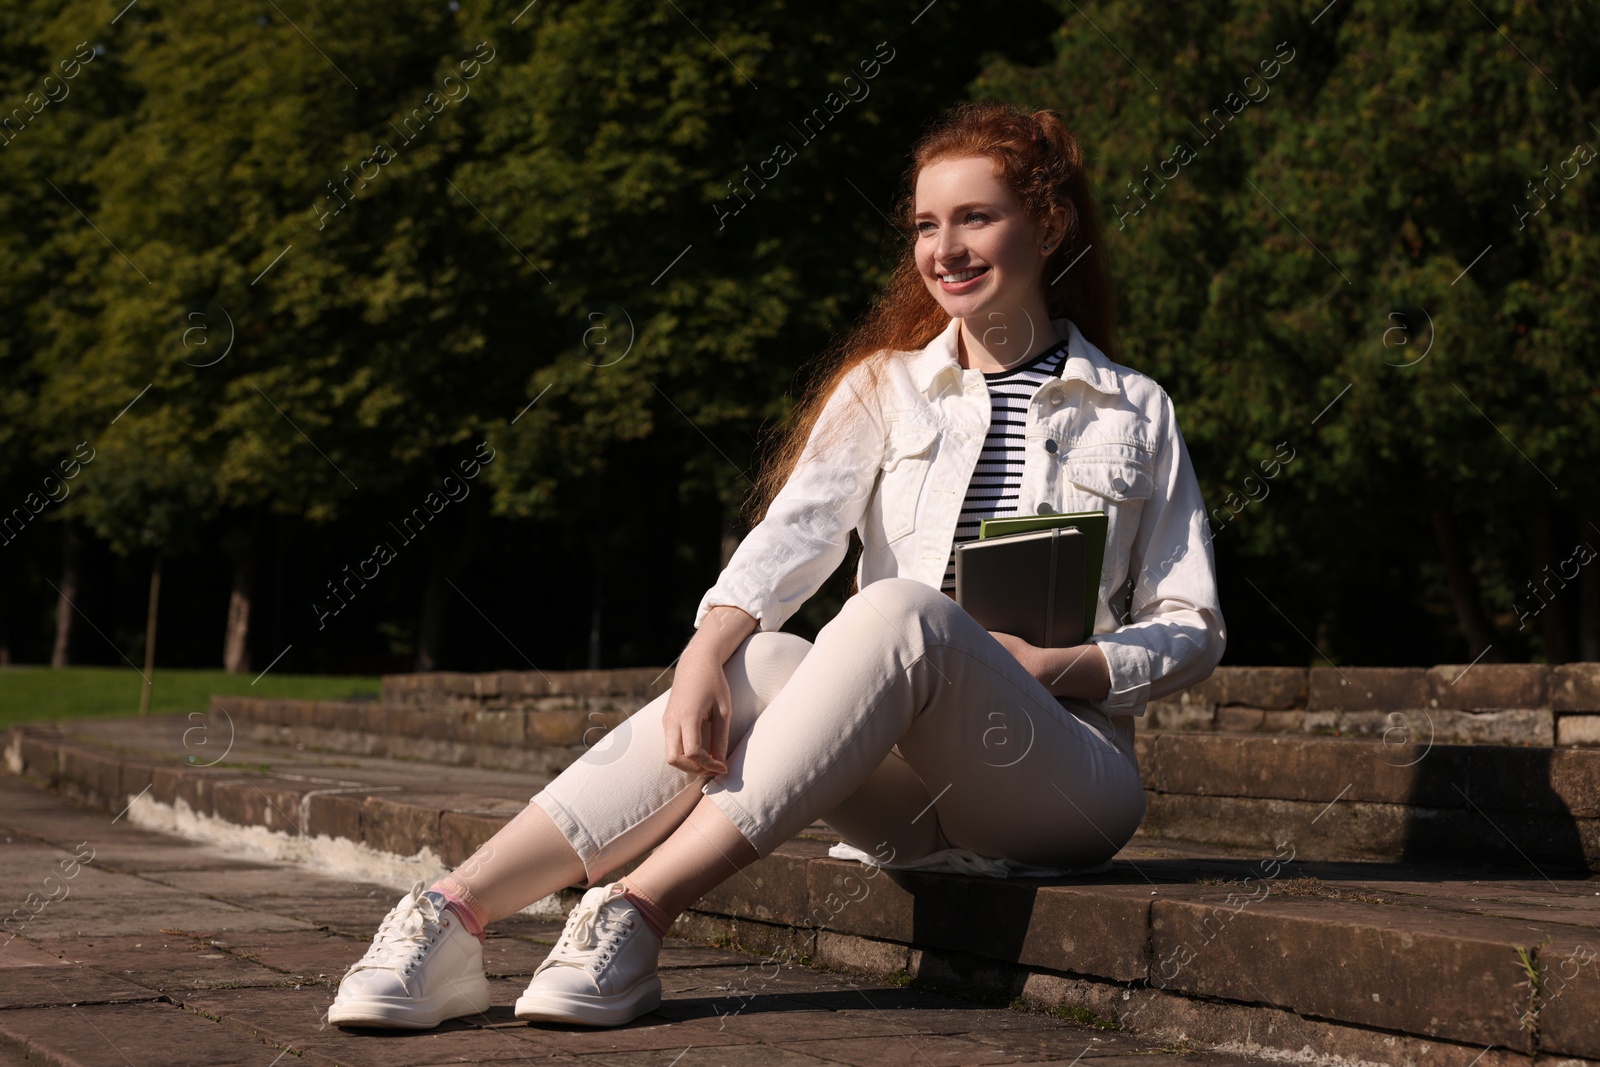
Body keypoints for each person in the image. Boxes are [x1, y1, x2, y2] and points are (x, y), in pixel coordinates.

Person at [326, 99, 1225, 1031]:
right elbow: (794, 535)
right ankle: (451, 913)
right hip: (910, 807)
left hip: (1063, 779)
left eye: (975, 217)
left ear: (1048, 223)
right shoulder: (882, 387)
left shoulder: (1134, 409)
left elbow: (1193, 625)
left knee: (897, 613)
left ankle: (634, 909)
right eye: (925, 224)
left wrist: (1057, 667)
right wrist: (702, 656)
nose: (944, 248)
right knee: (758, 659)